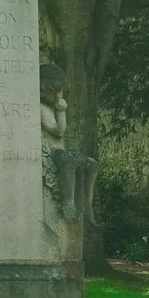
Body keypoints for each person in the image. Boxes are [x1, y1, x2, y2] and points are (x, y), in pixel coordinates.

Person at [40, 64, 97, 224]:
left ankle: (86, 202)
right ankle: (68, 203)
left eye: (61, 91)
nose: (59, 95)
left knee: (91, 164)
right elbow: (58, 131)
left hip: (62, 151)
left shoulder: (50, 107)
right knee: (68, 160)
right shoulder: (41, 108)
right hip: (52, 153)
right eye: (56, 92)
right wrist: (61, 112)